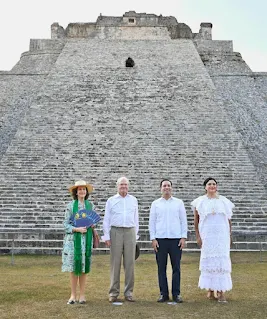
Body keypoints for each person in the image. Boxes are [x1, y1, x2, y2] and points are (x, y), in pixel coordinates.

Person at [192, 177, 234, 303]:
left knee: (221, 262)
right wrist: (198, 236)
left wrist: (230, 235)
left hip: (221, 237)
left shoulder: (224, 201)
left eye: (214, 184)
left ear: (216, 186)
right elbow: (196, 220)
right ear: (205, 187)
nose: (212, 186)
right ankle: (210, 289)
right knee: (209, 262)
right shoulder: (199, 202)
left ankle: (221, 292)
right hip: (207, 236)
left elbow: (229, 220)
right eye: (209, 184)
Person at [149, 179, 188, 303]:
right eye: (164, 186)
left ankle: (176, 294)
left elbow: (183, 220)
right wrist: (153, 238)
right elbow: (152, 222)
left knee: (176, 267)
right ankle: (163, 294)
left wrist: (183, 237)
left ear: (171, 188)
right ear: (160, 188)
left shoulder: (178, 203)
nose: (166, 187)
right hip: (160, 239)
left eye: (168, 185)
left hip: (175, 239)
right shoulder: (155, 204)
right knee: (161, 268)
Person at [102, 176, 139, 302]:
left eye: (125, 185)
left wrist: (136, 235)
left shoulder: (133, 200)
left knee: (130, 264)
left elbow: (136, 218)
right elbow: (106, 219)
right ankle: (113, 292)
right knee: (115, 263)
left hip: (130, 231)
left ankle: (129, 292)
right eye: (121, 185)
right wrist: (106, 236)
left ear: (128, 186)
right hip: (115, 231)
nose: (123, 187)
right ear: (117, 186)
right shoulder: (111, 200)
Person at [62, 180, 94, 305]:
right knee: (74, 267)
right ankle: (73, 294)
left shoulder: (90, 206)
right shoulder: (70, 206)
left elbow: (93, 221)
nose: (82, 191)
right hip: (73, 241)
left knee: (83, 267)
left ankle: (82, 295)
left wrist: (91, 225)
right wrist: (76, 229)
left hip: (86, 239)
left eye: (84, 189)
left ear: (86, 192)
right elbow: (65, 224)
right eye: (79, 189)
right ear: (76, 192)